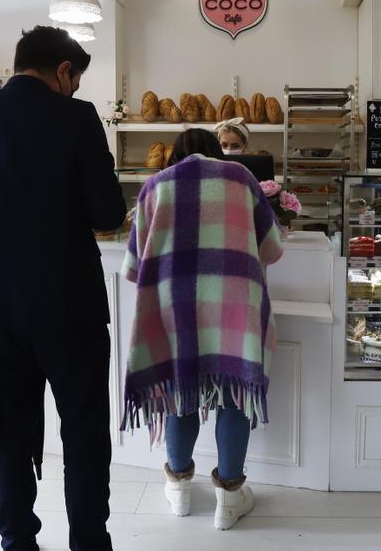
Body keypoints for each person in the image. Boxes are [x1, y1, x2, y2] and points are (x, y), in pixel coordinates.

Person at [0, 25, 126, 551]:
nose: (75, 91)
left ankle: (17, 540)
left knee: (9, 429)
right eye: (75, 81)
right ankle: (88, 542)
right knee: (83, 430)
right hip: (69, 304)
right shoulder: (77, 119)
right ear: (64, 71)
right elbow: (106, 212)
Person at [122, 128, 284, 530]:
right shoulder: (242, 179)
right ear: (217, 151)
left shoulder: (155, 186)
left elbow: (133, 266)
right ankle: (229, 497)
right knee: (234, 392)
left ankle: (178, 488)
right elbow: (272, 248)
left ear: (175, 153)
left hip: (173, 306)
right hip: (234, 304)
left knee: (180, 390)